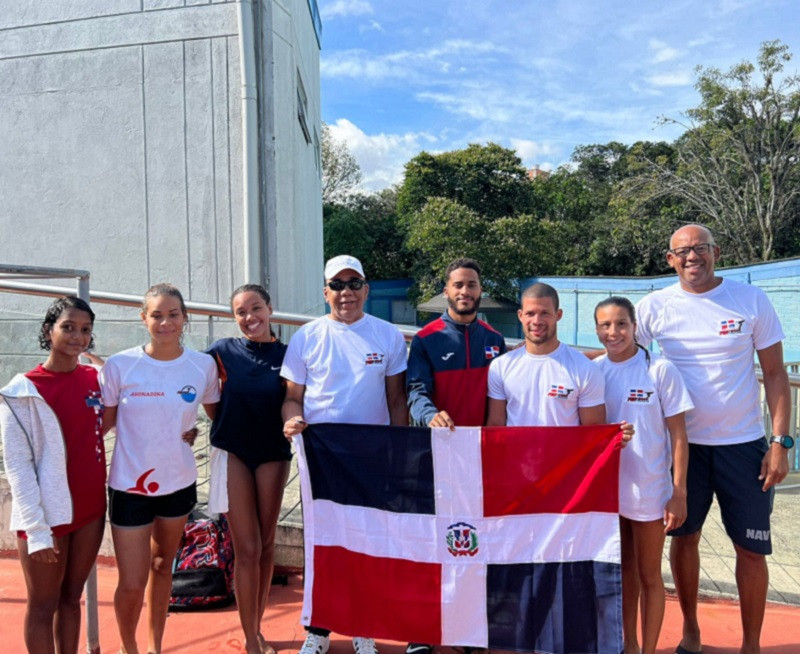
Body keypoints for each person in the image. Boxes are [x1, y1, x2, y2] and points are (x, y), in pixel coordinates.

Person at [635, 224, 792, 654]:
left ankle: (752, 644)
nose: (692, 257)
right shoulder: (653, 307)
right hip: (682, 450)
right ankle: (690, 631)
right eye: (682, 251)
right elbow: (621, 360)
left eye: (700, 249)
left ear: (716, 252)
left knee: (751, 549)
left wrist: (781, 443)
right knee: (684, 539)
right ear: (669, 259)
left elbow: (776, 375)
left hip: (744, 447)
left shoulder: (750, 300)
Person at [281, 255, 409, 654]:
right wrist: (291, 422)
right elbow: (291, 399)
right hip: (321, 456)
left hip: (373, 455)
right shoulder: (306, 337)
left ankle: (362, 625)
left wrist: (399, 451)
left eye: (354, 283)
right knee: (322, 543)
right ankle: (318, 630)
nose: (346, 292)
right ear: (325, 293)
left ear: (366, 290)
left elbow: (396, 400)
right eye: (337, 285)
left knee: (367, 541)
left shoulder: (388, 336)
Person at [100, 283, 220, 654]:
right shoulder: (120, 365)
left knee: (163, 566)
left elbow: (219, 418)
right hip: (129, 487)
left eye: (173, 314)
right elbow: (100, 425)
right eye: (157, 315)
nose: (165, 322)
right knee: (132, 582)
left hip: (179, 482)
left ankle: (154, 646)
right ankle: (128, 647)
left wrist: (195, 428)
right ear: (143, 318)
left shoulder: (203, 365)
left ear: (185, 318)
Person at [405, 257, 505, 654]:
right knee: (430, 543)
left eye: (473, 285)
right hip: (434, 456)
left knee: (473, 544)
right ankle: (422, 631)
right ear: (445, 290)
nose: (465, 292)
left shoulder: (495, 340)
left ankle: (468, 631)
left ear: (481, 291)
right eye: (458, 285)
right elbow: (415, 392)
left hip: (480, 461)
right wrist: (430, 416)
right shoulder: (426, 339)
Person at [0, 296, 106, 654]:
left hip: (91, 508)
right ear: (48, 331)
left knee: (71, 599)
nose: (78, 336)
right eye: (69, 327)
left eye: (86, 330)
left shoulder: (95, 378)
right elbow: (17, 467)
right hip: (45, 517)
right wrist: (37, 531)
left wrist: (188, 431)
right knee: (43, 606)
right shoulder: (21, 392)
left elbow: (129, 404)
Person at [594, 296, 691, 654]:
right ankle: (629, 645)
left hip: (649, 491)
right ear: (597, 330)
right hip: (607, 492)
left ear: (635, 327)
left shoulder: (659, 370)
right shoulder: (595, 371)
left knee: (651, 577)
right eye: (605, 325)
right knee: (623, 575)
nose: (613, 332)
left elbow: (679, 435)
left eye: (621, 324)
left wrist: (678, 491)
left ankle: (648, 650)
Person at [206, 284, 290, 654]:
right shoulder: (222, 351)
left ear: (270, 309)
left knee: (267, 543)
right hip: (234, 452)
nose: (249, 317)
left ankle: (257, 628)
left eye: (255, 308)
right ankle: (251, 639)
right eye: (241, 312)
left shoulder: (290, 355)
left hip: (273, 453)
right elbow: (187, 377)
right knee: (248, 547)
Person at [486, 283, 606, 429]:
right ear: (520, 316)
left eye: (545, 313)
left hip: (565, 453)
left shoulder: (585, 369)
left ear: (558, 315)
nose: (537, 321)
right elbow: (495, 427)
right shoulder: (500, 366)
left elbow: (595, 432)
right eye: (530, 313)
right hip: (516, 452)